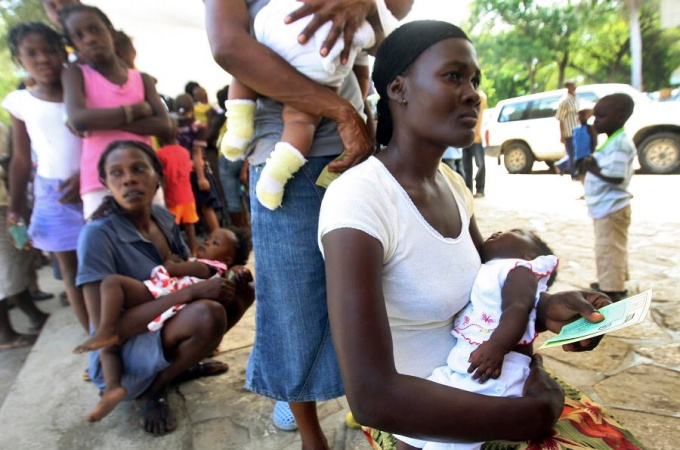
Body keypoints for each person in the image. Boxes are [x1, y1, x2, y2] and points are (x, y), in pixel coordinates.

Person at [319, 20, 635, 448]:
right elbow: (372, 397)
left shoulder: (452, 185)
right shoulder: (358, 201)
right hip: (421, 422)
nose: (473, 94)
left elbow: (481, 291)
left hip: (485, 383)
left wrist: (543, 309)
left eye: (475, 81)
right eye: (453, 76)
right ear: (398, 89)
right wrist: (528, 418)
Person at [205, 0, 411, 446]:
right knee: (292, 298)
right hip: (283, 151)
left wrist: (366, 4)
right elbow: (228, 46)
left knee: (366, 287)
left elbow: (393, 24)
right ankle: (308, 427)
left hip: (352, 146)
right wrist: (340, 110)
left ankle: (366, 398)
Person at [76, 139, 254, 434]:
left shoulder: (162, 218)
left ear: (157, 176)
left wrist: (226, 274)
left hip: (163, 322)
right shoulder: (96, 236)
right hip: (123, 350)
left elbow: (181, 274)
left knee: (242, 291)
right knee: (207, 313)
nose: (129, 178)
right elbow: (109, 331)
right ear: (105, 183)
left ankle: (182, 366)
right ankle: (153, 391)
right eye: (117, 173)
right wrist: (191, 292)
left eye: (138, 169)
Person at [219, 0, 398, 210]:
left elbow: (229, 49)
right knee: (300, 120)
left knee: (245, 73)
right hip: (323, 79)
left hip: (274, 39)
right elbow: (382, 46)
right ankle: (277, 173)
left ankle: (239, 129)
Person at [394, 229, 558, 450]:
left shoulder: (519, 269)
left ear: (530, 255)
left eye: (515, 231)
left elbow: (518, 307)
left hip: (494, 375)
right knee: (411, 423)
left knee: (449, 439)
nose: (499, 231)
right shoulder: (487, 270)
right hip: (463, 371)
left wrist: (497, 345)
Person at [74, 226, 252, 423]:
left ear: (226, 260)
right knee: (110, 295)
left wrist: (172, 260)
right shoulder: (97, 233)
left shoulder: (205, 266)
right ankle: (111, 375)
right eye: (209, 238)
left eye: (214, 243)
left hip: (162, 294)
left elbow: (170, 268)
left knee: (111, 286)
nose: (206, 242)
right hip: (161, 297)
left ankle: (133, 383)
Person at [3, 22, 88, 332]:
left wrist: (86, 175)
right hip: (53, 194)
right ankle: (95, 339)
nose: (43, 59)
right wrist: (15, 208)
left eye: (50, 50)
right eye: (32, 53)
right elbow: (21, 159)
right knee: (71, 271)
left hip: (94, 186)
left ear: (63, 53)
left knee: (106, 261)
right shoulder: (20, 102)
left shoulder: (81, 91)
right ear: (19, 59)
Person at [60, 4, 171, 219]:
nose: (89, 39)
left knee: (156, 244)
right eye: (79, 36)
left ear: (110, 31)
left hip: (145, 178)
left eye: (95, 30)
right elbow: (79, 119)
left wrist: (101, 119)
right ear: (73, 45)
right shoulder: (75, 74)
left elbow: (164, 126)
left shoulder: (141, 79)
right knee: (106, 245)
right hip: (99, 182)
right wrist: (136, 111)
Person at [581, 93, 636, 303]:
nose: (595, 122)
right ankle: (614, 279)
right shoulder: (613, 141)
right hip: (606, 206)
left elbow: (617, 177)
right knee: (612, 246)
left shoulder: (620, 144)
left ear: (620, 117)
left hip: (611, 208)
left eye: (601, 117)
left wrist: (593, 170)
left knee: (608, 248)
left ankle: (612, 288)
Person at [0, 123, 50, 351]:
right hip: (4, 205)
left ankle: (33, 316)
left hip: (6, 203)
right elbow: (11, 162)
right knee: (9, 265)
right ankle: (7, 332)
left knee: (16, 260)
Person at [174, 94, 223, 233]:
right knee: (207, 207)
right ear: (193, 107)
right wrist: (202, 178)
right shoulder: (198, 126)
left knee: (190, 209)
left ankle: (201, 243)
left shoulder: (172, 128)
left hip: (181, 173)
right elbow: (197, 153)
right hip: (198, 171)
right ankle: (217, 238)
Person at [157, 119, 200, 255]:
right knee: (190, 226)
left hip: (171, 197)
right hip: (187, 195)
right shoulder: (184, 151)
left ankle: (175, 254)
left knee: (170, 229)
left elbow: (162, 179)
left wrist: (161, 199)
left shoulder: (160, 154)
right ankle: (193, 252)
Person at [462, 89, 487, 198]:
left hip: (477, 139)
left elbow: (482, 98)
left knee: (480, 165)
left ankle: (480, 189)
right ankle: (469, 190)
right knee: (467, 167)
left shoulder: (480, 97)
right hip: (465, 139)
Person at [555, 80, 580, 179]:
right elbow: (560, 119)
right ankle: (574, 174)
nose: (575, 87)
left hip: (578, 129)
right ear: (568, 87)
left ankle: (561, 165)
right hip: (569, 130)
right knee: (572, 153)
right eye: (573, 86)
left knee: (577, 152)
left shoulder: (576, 98)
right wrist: (562, 135)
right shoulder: (564, 101)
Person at [571, 102, 598, 179]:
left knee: (587, 174)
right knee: (582, 175)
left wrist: (592, 154)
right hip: (578, 156)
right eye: (579, 115)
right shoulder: (575, 129)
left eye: (582, 115)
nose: (580, 117)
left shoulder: (590, 128)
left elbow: (594, 142)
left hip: (587, 155)